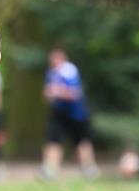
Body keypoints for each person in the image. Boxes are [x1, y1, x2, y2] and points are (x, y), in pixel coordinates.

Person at [41, 48, 99, 178]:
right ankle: (49, 169)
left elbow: (74, 93)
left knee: (81, 141)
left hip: (76, 113)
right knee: (53, 140)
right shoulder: (51, 74)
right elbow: (48, 94)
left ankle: (88, 168)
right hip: (59, 112)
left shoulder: (69, 71)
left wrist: (58, 92)